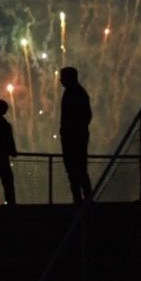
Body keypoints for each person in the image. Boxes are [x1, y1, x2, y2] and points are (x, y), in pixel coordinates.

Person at [59, 66, 93, 202]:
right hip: (76, 136)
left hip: (73, 138)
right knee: (78, 169)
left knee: (75, 169)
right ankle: (84, 199)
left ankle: (80, 200)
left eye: (63, 77)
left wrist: (72, 131)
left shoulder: (74, 93)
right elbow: (87, 116)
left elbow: (85, 116)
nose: (60, 80)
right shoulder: (77, 92)